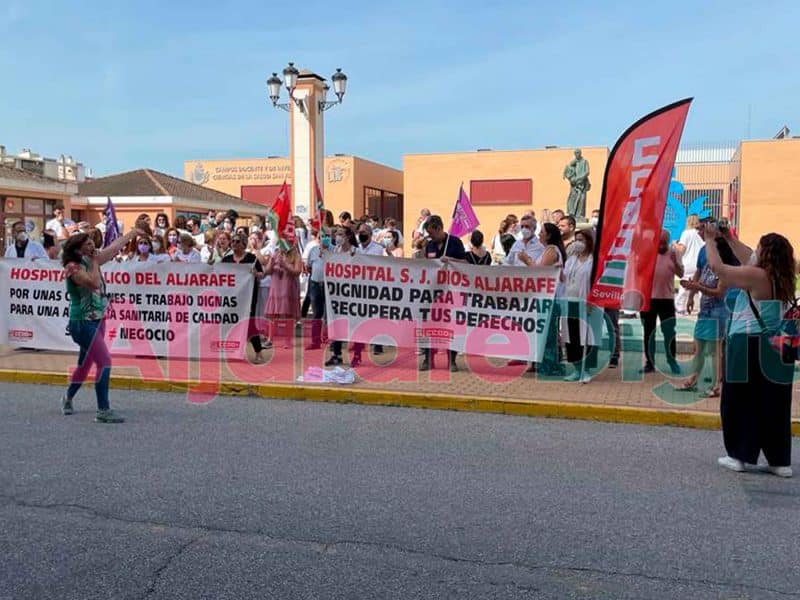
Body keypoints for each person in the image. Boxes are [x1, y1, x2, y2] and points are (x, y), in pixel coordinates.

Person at [704, 224, 796, 477]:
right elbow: (748, 257)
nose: (754, 250)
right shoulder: (784, 276)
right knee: (775, 402)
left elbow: (718, 269)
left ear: (765, 253)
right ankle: (780, 461)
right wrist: (729, 237)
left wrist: (710, 240)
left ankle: (739, 455)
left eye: (759, 246)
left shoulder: (756, 276)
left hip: (747, 342)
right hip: (776, 346)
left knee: (739, 399)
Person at [60, 226, 144, 422]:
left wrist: (133, 233)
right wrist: (96, 262)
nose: (92, 246)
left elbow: (114, 248)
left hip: (98, 320)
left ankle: (67, 398)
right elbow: (93, 283)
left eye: (92, 243)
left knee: (85, 364)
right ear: (78, 249)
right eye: (87, 244)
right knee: (104, 361)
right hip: (82, 322)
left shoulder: (92, 259)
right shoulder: (73, 267)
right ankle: (103, 410)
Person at [676, 236, 738, 397]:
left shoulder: (724, 269)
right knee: (698, 348)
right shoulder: (707, 267)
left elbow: (719, 293)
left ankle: (716, 385)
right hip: (705, 311)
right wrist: (692, 291)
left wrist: (698, 287)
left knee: (714, 351)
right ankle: (693, 379)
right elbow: (699, 278)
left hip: (717, 312)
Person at [420, 215, 466, 372]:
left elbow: (466, 264)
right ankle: (428, 358)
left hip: (451, 293)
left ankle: (451, 360)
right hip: (432, 292)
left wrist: (451, 260)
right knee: (428, 325)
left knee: (451, 326)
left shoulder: (455, 242)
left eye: (431, 232)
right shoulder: (430, 246)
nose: (430, 236)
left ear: (439, 228)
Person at [640, 230, 684, 374]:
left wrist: (675, 261)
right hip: (649, 299)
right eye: (658, 243)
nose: (661, 246)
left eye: (664, 243)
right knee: (648, 331)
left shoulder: (673, 253)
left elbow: (681, 273)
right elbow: (639, 271)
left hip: (667, 299)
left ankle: (672, 361)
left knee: (669, 332)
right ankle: (650, 363)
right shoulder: (648, 252)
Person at [562, 230, 600, 383]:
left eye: (581, 240)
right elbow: (563, 277)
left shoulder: (594, 261)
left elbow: (597, 282)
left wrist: (593, 300)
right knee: (572, 336)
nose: (578, 243)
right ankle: (577, 369)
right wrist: (566, 253)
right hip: (570, 302)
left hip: (587, 303)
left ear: (589, 242)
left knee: (587, 336)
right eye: (576, 240)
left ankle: (586, 369)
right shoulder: (571, 259)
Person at [222, 233, 267, 363]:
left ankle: (258, 351)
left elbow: (261, 274)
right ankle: (232, 351)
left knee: (250, 324)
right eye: (233, 241)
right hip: (231, 297)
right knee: (230, 322)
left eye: (237, 241)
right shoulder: (227, 259)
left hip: (248, 296)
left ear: (243, 244)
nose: (234, 244)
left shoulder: (251, 259)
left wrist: (256, 274)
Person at [536, 223, 568, 376]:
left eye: (541, 232)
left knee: (548, 334)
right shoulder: (548, 250)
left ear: (548, 235)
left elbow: (540, 271)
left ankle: (549, 365)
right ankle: (550, 363)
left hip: (550, 298)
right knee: (548, 334)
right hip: (547, 297)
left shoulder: (551, 250)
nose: (539, 234)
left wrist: (526, 259)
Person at [326, 227, 359, 366]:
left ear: (348, 236)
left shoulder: (356, 252)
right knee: (338, 324)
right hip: (339, 294)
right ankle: (337, 355)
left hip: (354, 294)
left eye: (340, 234)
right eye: (336, 233)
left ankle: (357, 355)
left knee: (356, 325)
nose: (337, 236)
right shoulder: (336, 251)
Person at [265, 233, 303, 350]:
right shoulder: (276, 253)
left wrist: (285, 264)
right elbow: (267, 271)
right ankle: (270, 339)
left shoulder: (296, 255)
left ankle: (287, 340)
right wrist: (271, 263)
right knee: (273, 314)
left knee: (288, 313)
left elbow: (297, 271)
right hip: (276, 288)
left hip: (288, 287)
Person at [673, 215, 705, 315]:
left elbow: (681, 250)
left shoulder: (686, 233)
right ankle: (702, 308)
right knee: (701, 286)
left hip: (688, 263)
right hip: (700, 262)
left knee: (684, 286)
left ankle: (680, 307)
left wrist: (674, 244)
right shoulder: (702, 233)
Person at [305, 230, 330, 350]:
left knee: (329, 313)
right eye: (322, 236)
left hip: (329, 285)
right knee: (317, 313)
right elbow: (308, 266)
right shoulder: (313, 250)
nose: (324, 238)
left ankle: (329, 338)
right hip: (315, 284)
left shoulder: (335, 250)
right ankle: (315, 341)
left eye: (327, 236)